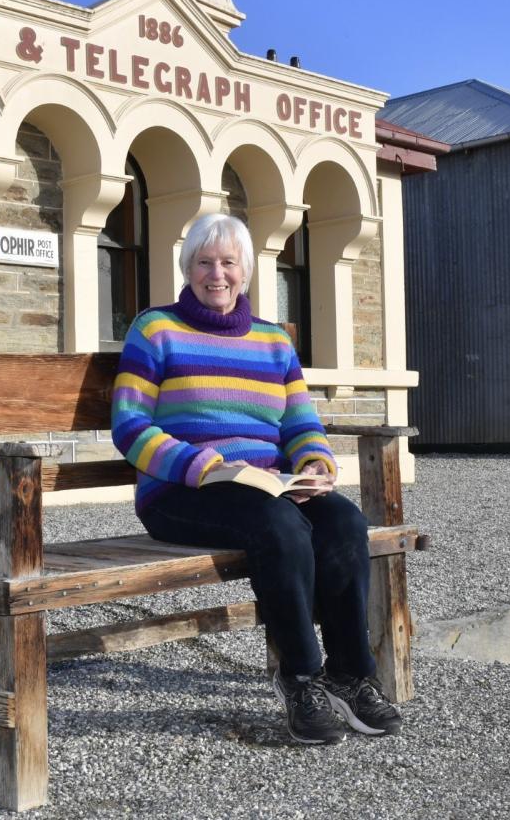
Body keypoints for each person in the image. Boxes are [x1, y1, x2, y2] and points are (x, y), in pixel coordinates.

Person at [111, 212, 402, 745]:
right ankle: (299, 677)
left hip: (267, 486)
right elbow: (130, 426)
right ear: (187, 268)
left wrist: (316, 464)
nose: (215, 274)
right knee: (279, 526)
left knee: (342, 519)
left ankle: (350, 672)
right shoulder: (155, 329)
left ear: (245, 271)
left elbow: (299, 423)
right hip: (183, 491)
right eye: (203, 262)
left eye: (227, 263)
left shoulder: (274, 342)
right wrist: (201, 466)